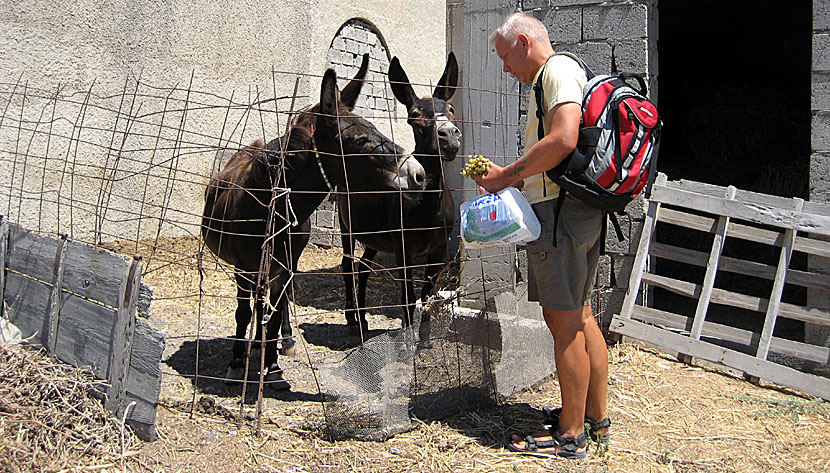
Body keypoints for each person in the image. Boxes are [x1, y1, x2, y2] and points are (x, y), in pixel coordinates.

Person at [473, 12, 610, 459]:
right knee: (582, 315)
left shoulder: (556, 71)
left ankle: (570, 436)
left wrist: (506, 176)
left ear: (525, 42)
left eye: (506, 57)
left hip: (560, 214)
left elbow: (564, 139)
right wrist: (513, 179)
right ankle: (594, 418)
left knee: (564, 323)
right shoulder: (564, 75)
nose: (506, 68)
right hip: (576, 210)